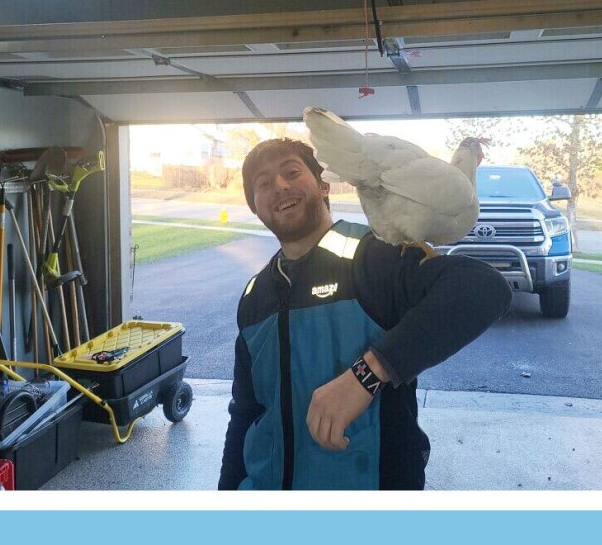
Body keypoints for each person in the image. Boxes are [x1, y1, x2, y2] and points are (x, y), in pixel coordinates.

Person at [218, 138, 512, 490]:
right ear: (255, 206)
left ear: (324, 185)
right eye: (263, 184)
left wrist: (367, 374)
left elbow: (484, 287)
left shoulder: (374, 257)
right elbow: (245, 414)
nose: (279, 185)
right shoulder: (255, 296)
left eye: (292, 172)